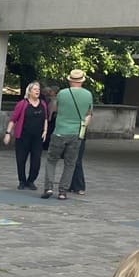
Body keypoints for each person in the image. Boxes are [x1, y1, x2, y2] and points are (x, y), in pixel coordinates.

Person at [42, 69, 92, 201]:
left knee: (51, 160)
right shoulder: (88, 95)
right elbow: (88, 115)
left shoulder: (62, 94)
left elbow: (55, 109)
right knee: (70, 163)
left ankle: (48, 188)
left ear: (70, 80)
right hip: (76, 134)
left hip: (59, 131)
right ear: (82, 81)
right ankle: (63, 192)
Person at [3, 81, 48, 191]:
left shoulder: (43, 104)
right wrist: (8, 133)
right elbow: (13, 120)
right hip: (23, 136)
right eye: (35, 89)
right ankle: (22, 181)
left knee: (36, 160)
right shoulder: (22, 104)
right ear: (29, 91)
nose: (37, 91)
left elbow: (46, 118)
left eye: (38, 89)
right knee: (21, 159)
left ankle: (31, 181)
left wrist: (45, 131)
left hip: (37, 137)